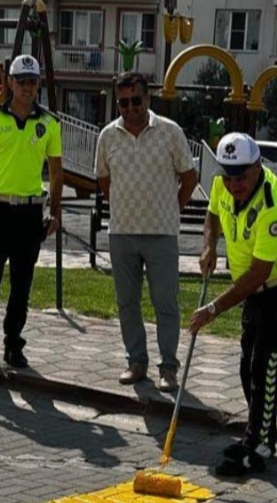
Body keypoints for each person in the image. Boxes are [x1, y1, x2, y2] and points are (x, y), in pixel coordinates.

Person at [188, 132, 277, 477]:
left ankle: (257, 446)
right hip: (254, 291)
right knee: (248, 367)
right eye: (228, 176)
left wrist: (212, 309)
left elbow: (259, 272)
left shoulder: (276, 203)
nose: (233, 185)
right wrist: (209, 246)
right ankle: (261, 436)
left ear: (258, 167)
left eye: (241, 177)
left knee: (265, 368)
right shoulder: (221, 185)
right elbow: (212, 215)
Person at [95, 71, 197, 391]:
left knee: (165, 303)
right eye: (123, 102)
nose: (129, 108)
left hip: (161, 234)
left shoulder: (170, 132)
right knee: (127, 303)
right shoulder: (108, 136)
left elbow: (189, 177)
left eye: (135, 100)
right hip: (122, 232)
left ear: (147, 98)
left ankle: (168, 367)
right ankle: (136, 362)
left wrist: (173, 209)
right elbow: (103, 179)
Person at [0, 54, 63, 369]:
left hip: (29, 215)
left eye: (33, 82)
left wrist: (55, 212)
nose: (27, 88)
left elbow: (56, 173)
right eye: (21, 81)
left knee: (21, 286)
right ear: (10, 83)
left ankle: (13, 345)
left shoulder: (49, 123)